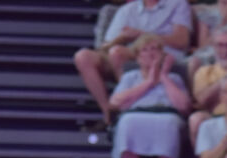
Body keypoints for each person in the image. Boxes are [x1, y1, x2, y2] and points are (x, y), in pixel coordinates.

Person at [73, 0, 191, 128]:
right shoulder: (127, 10)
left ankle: (128, 105)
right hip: (134, 53)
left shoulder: (177, 4)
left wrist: (141, 34)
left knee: (117, 53)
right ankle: (109, 112)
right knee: (83, 57)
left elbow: (182, 41)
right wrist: (121, 38)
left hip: (162, 52)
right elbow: (105, 46)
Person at [108, 36, 189, 158]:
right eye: (144, 50)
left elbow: (184, 106)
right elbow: (115, 102)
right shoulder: (130, 77)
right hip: (135, 114)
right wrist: (149, 82)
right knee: (127, 122)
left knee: (168, 123)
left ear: (162, 55)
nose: (150, 53)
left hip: (166, 114)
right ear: (138, 57)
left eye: (154, 49)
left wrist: (163, 76)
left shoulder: (174, 78)